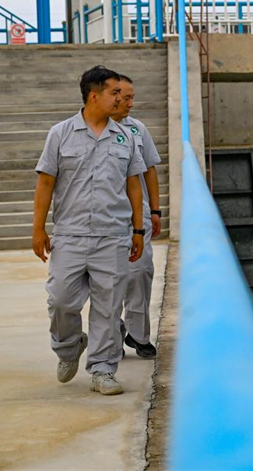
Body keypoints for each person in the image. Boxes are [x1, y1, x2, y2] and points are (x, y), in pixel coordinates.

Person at [32, 65, 146, 396]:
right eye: (114, 93)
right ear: (94, 96)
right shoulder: (60, 133)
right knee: (61, 301)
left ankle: (103, 369)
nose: (120, 99)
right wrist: (38, 229)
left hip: (112, 236)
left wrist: (138, 229)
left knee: (108, 307)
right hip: (70, 234)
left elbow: (133, 185)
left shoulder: (126, 135)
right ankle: (68, 347)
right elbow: (46, 182)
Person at [111, 74, 162, 359]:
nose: (131, 103)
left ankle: (139, 334)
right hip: (106, 217)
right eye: (126, 97)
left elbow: (149, 171)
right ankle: (112, 332)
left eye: (132, 97)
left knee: (141, 273)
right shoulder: (91, 131)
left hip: (137, 215)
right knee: (109, 278)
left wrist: (155, 210)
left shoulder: (137, 129)